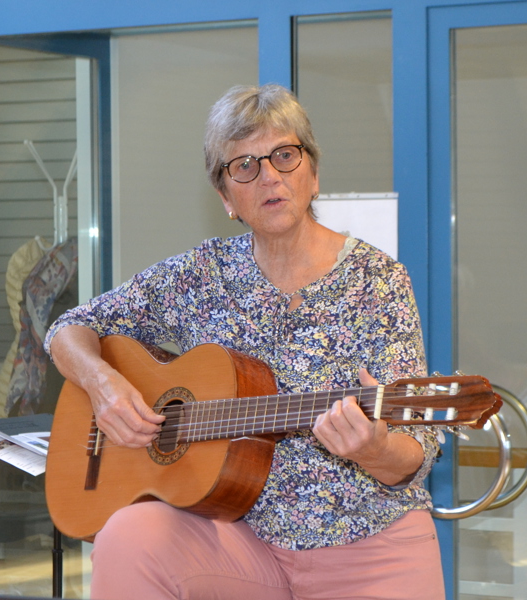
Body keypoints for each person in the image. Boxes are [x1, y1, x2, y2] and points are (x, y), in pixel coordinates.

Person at [44, 83, 445, 600]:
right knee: (127, 535)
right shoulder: (199, 274)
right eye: (245, 166)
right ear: (225, 196)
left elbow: (416, 454)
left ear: (313, 174)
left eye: (284, 155)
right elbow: (69, 329)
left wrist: (373, 448)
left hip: (366, 543)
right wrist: (104, 385)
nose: (270, 177)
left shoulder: (378, 281)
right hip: (236, 537)